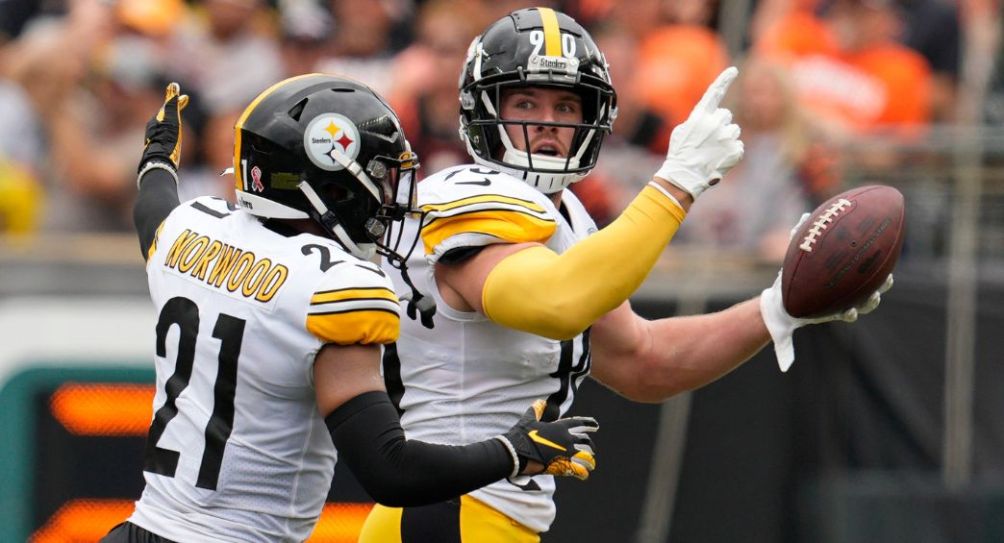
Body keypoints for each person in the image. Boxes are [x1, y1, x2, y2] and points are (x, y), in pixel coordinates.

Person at [359, 7, 893, 541]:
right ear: (483, 111)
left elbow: (643, 361)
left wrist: (778, 308)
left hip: (484, 516)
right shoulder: (463, 194)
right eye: (525, 102)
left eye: (566, 105)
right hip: (446, 512)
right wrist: (675, 186)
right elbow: (553, 303)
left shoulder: (568, 218)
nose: (547, 121)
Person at [101, 74, 602, 543]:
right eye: (379, 176)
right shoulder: (333, 288)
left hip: (137, 530)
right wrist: (512, 451)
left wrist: (157, 156)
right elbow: (391, 470)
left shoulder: (191, 228)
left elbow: (153, 205)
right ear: (332, 185)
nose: (388, 196)